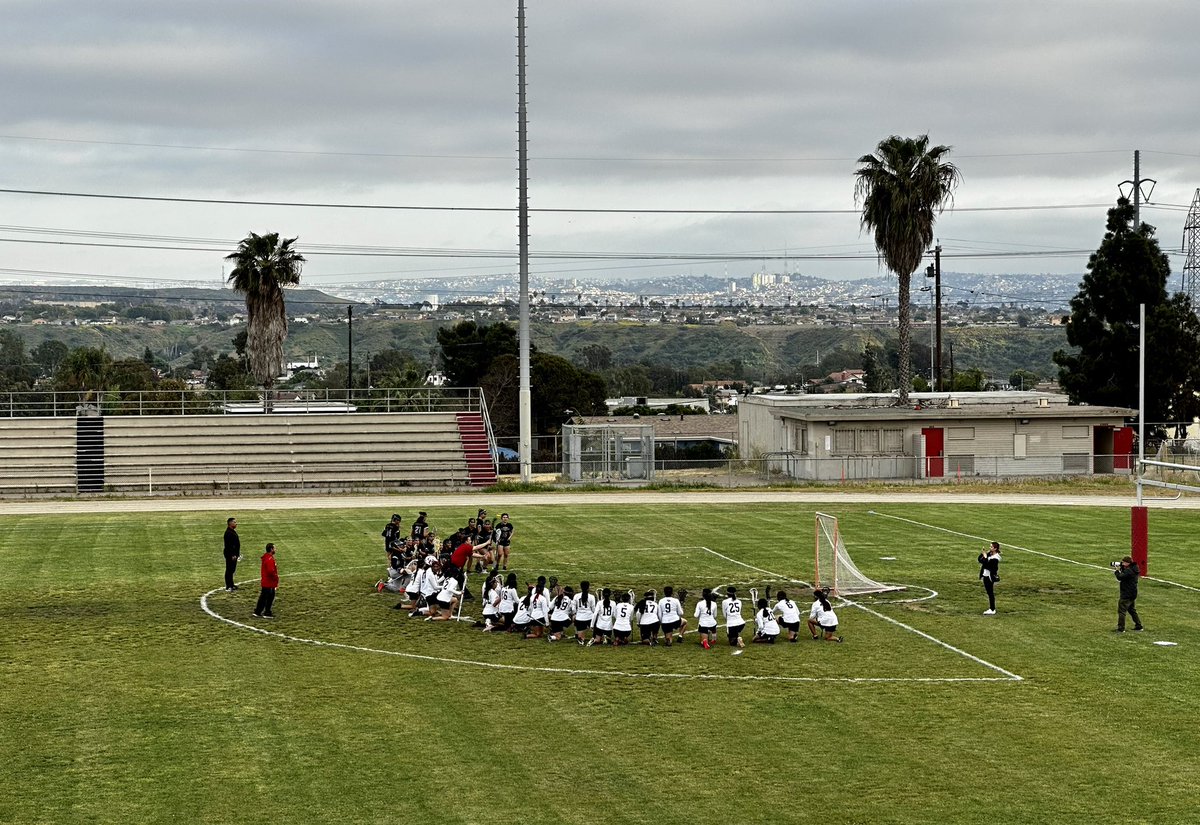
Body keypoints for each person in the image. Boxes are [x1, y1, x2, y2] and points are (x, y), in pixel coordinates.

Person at [1114, 555, 1144, 633]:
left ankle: (1121, 628)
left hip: (1126, 594)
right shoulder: (1134, 569)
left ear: (1127, 563)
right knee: (1132, 610)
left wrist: (1117, 571)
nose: (1122, 564)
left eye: (1123, 562)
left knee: (1122, 611)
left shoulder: (1129, 571)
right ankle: (1138, 625)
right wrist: (1122, 568)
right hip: (1132, 593)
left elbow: (1120, 577)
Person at [252, 543, 278, 619]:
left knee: (264, 597)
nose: (275, 549)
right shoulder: (269, 559)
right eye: (274, 548)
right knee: (269, 597)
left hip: (266, 581)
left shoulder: (266, 557)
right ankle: (266, 612)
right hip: (269, 582)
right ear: (271, 549)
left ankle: (258, 611)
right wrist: (275, 577)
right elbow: (271, 571)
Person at [978, 541, 1002, 615]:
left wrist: (985, 557)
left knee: (990, 593)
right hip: (985, 576)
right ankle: (992, 608)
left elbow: (986, 565)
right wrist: (985, 554)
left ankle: (992, 609)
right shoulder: (990, 554)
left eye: (991, 547)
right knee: (989, 593)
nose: (990, 548)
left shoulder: (995, 558)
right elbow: (979, 560)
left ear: (995, 549)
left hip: (989, 577)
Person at [223, 517, 241, 591]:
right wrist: (233, 555)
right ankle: (228, 586)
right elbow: (229, 546)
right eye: (234, 522)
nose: (236, 523)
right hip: (230, 555)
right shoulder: (229, 533)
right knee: (229, 570)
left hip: (233, 554)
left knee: (232, 570)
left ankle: (231, 584)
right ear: (230, 523)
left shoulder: (231, 531)